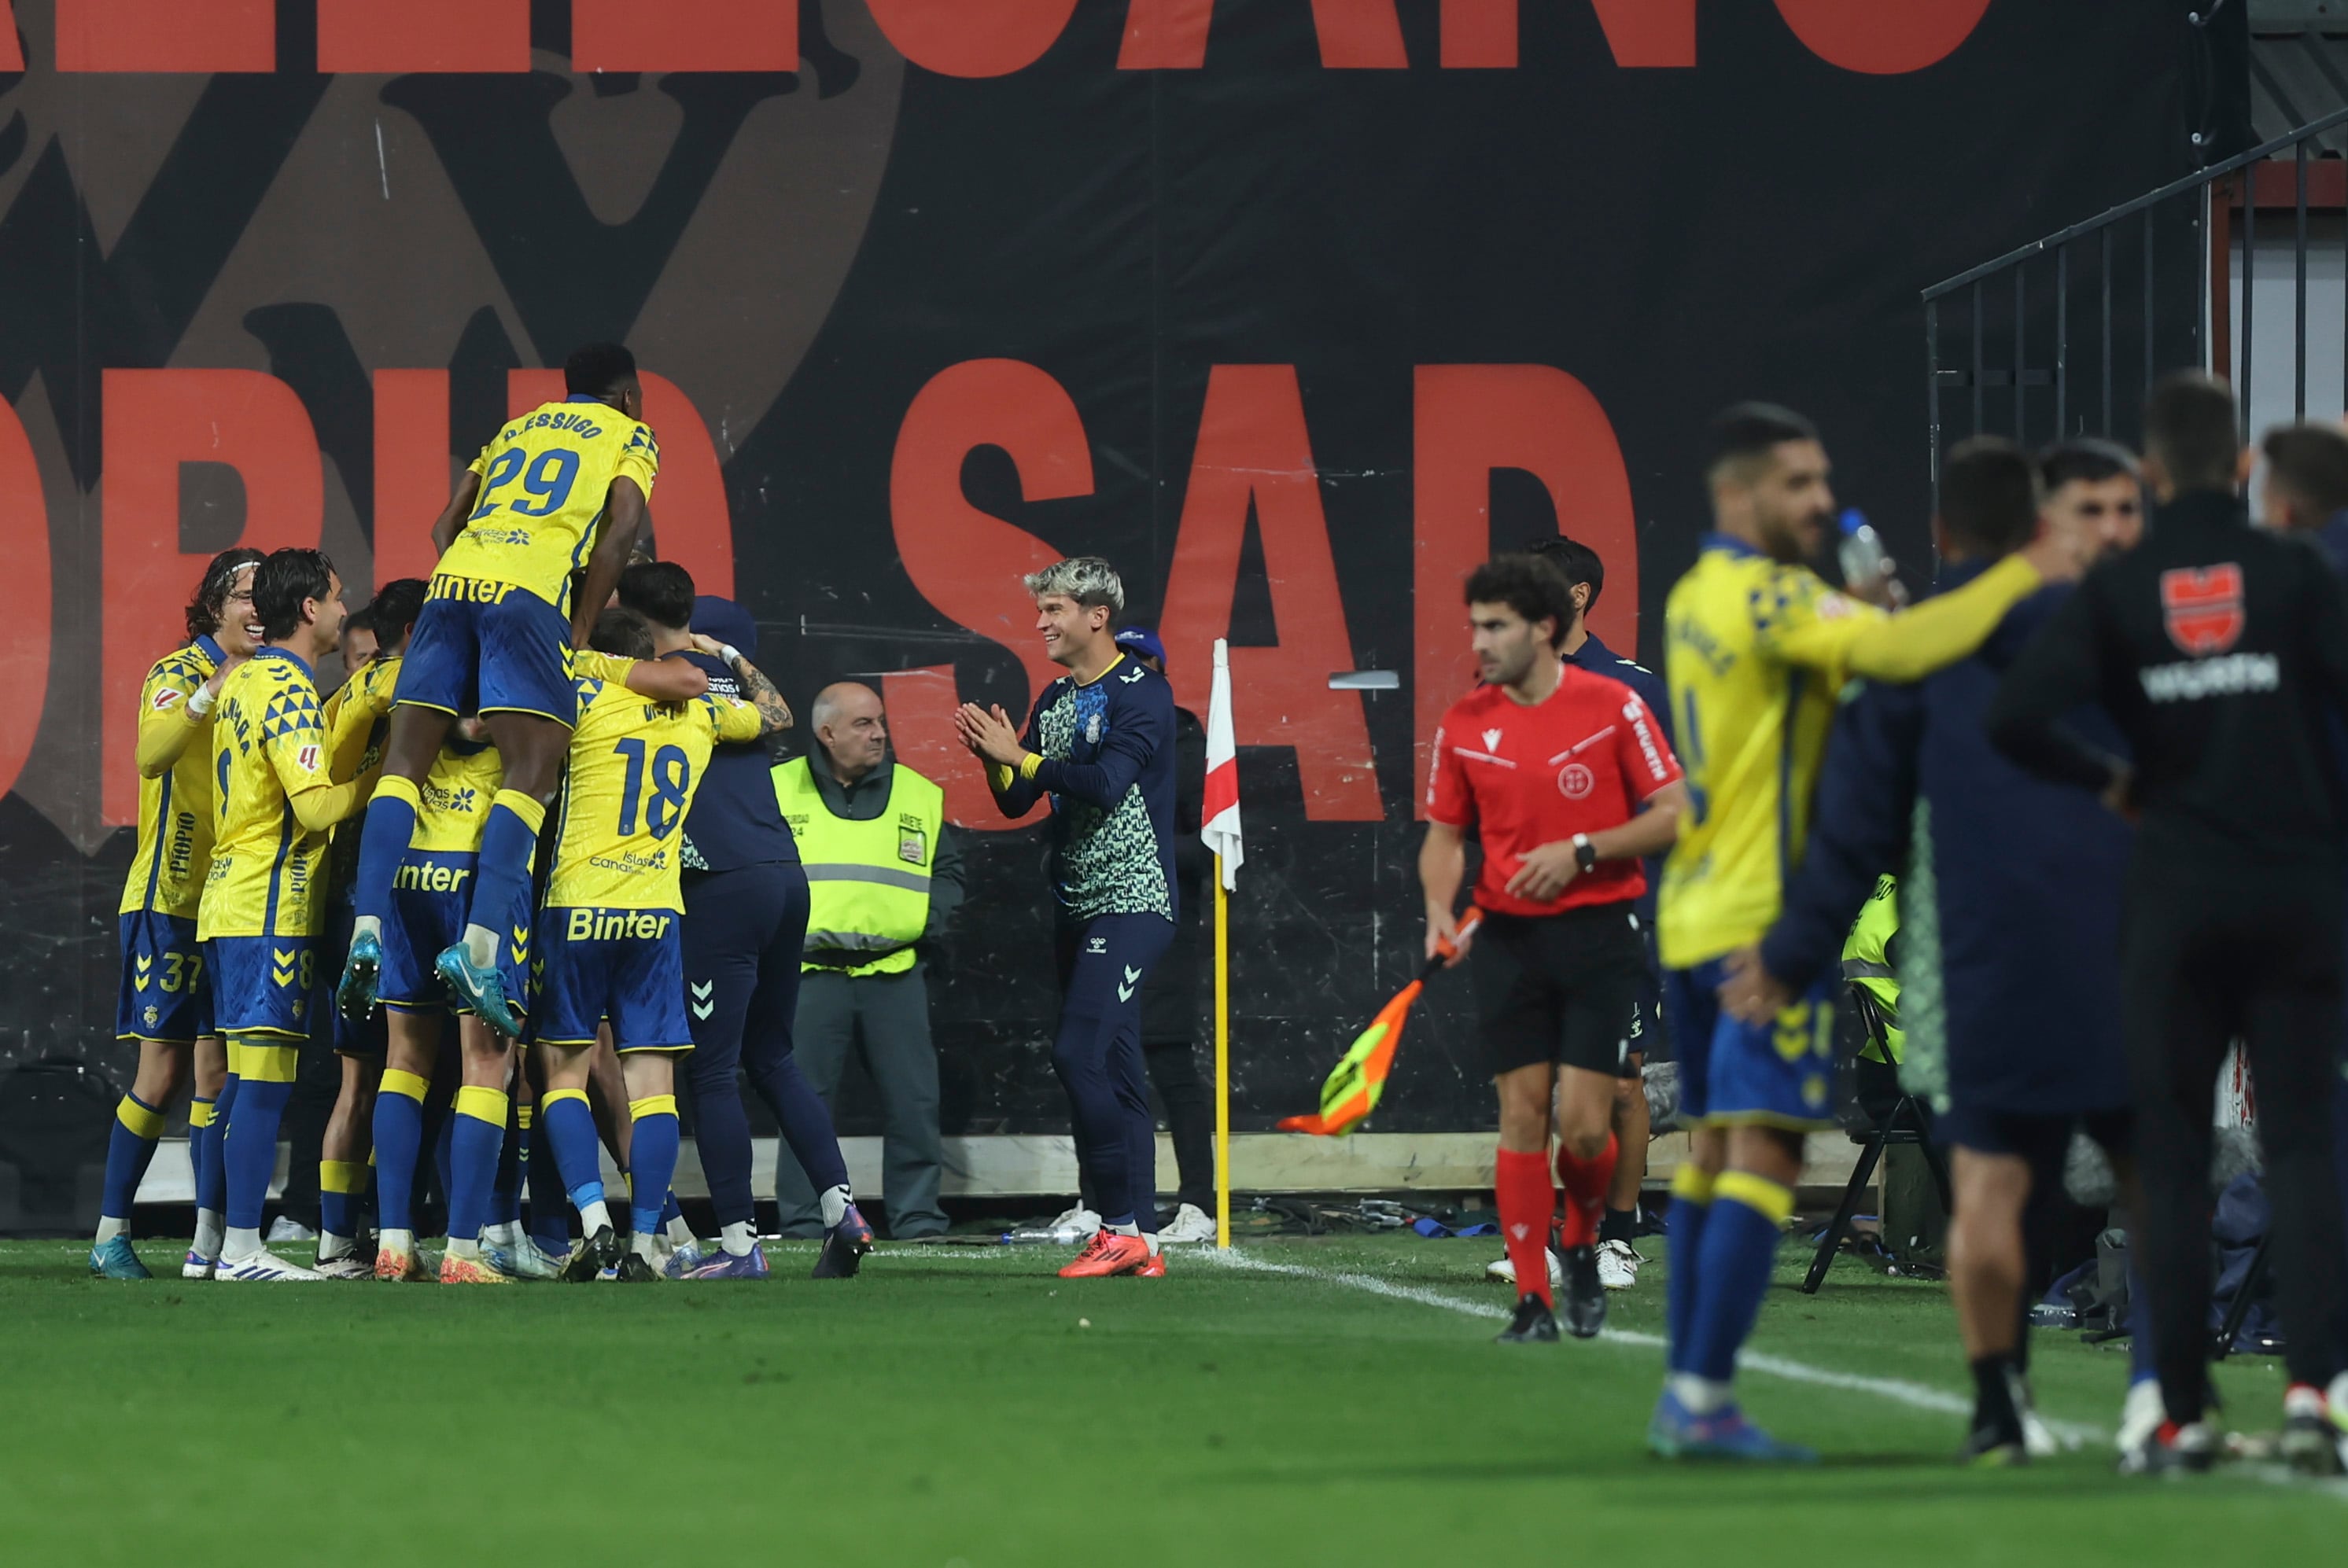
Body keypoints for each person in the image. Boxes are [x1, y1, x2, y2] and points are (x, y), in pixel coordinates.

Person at [1652, 403, 2077, 1460]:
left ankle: (1685, 1389)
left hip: (1693, 908)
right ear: (1738, 493)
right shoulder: (1773, 594)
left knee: (1714, 1155)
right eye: (1797, 482)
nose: (1820, 500)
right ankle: (1701, 1398)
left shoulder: (1696, 593)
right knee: (1761, 1156)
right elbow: (1908, 648)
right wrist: (2031, 566)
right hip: (1761, 916)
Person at [1726, 436, 2144, 1463]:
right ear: (2046, 525)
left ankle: (2000, 1404)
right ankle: (2159, 1403)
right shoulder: (2116, 630)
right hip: (2125, 941)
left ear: (1944, 531)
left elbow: (1852, 830)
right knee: (2151, 1178)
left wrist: (1791, 951)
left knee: (1991, 1188)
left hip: (1977, 956)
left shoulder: (1908, 657)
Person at [1992, 374, 2348, 1474]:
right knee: (2300, 1142)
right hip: (2294, 891)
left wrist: (2112, 777)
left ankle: (2180, 1409)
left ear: (2148, 475)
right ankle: (2316, 1396)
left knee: (2175, 1153)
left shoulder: (2124, 586)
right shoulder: (2295, 569)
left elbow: (2016, 715)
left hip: (2176, 896)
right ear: (2241, 464)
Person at [341, 341, 662, 1038]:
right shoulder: (628, 433)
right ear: (629, 395)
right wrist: (575, 626)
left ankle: (367, 926)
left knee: (404, 763)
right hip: (528, 596)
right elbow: (622, 530)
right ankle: (480, 949)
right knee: (534, 764)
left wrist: (467, 599)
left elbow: (442, 525)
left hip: (454, 583)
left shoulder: (516, 429)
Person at [1423, 554, 1689, 1344]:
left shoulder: (1616, 703)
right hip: (1509, 940)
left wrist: (1582, 850)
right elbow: (1443, 837)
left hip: (1600, 935)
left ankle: (1584, 1240)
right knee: (1520, 1112)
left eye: (1496, 624)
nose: (1481, 639)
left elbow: (1675, 812)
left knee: (1584, 1124)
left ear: (1543, 628)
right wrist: (1441, 908)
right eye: (1475, 624)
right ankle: (1534, 1298)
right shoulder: (1468, 719)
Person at [614, 565, 879, 1279]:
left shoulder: (642, 679)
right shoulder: (724, 678)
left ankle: (738, 1246)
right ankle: (840, 1209)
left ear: (629, 617)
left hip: (718, 884)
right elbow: (782, 713)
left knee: (710, 1070)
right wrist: (728, 652)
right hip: (783, 876)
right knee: (772, 1056)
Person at [531, 608, 775, 1283]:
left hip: (579, 902)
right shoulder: (702, 719)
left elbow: (550, 666)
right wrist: (721, 651)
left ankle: (592, 1224)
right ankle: (644, 1242)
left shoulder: (584, 694)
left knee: (562, 1075)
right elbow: (773, 714)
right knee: (654, 1089)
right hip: (655, 914)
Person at [954, 557, 1178, 1279]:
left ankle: (1116, 1226)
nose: (1041, 624)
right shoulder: (1053, 698)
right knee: (1114, 1073)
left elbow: (1109, 785)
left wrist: (1019, 755)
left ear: (1096, 616)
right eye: (1041, 611)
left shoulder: (1142, 693)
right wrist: (998, 761)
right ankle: (1140, 1236)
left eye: (1053, 610)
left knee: (1077, 1055)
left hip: (1135, 899)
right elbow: (1019, 801)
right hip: (1076, 903)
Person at [89, 548, 262, 1280]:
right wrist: (211, 689)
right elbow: (151, 755)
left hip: (224, 901)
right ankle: (109, 1234)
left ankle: (207, 1243)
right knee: (159, 1075)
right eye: (245, 595)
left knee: (215, 1075)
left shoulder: (265, 679)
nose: (258, 610)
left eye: (265, 597)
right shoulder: (178, 673)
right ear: (214, 606)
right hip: (167, 900)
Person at [198, 548, 369, 1282]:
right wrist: (386, 782)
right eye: (335, 597)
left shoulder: (243, 680)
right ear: (308, 609)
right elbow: (316, 805)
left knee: (237, 1088)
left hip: (231, 898)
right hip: (267, 905)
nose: (341, 607)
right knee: (264, 1084)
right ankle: (241, 1248)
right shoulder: (289, 686)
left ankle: (211, 1245)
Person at [1531, 533, 1672, 1290]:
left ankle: (1618, 1238)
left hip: (1616, 913)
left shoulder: (1632, 688)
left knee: (1619, 1084)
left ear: (1577, 595)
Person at [770, 679, 957, 1246]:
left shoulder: (918, 794)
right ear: (826, 734)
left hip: (894, 973)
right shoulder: (776, 789)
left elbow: (948, 875)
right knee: (803, 1104)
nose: (879, 733)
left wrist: (923, 924)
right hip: (807, 975)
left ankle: (918, 1219)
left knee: (913, 1102)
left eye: (880, 722)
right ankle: (805, 1221)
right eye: (862, 724)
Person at [300, 577, 426, 1277]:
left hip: (355, 899)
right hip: (376, 902)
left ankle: (351, 1239)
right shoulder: (398, 682)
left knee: (372, 1078)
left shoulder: (350, 692)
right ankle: (375, 1237)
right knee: (393, 1072)